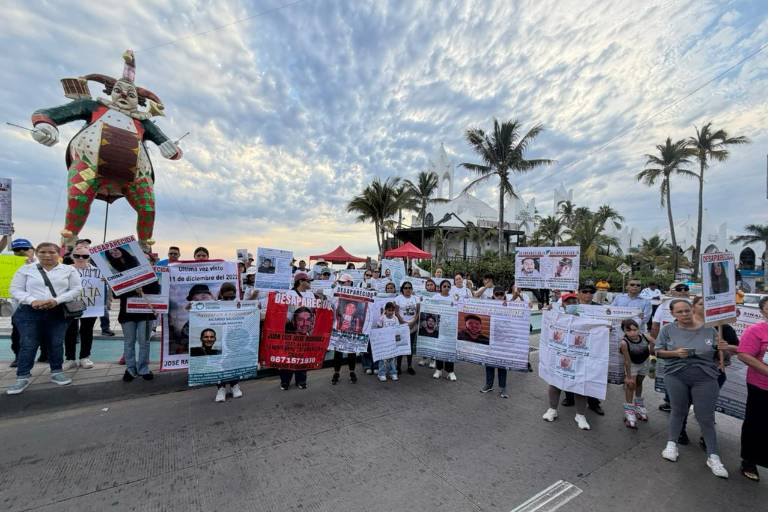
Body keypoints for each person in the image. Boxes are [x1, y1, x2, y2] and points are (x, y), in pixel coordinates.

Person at [655, 299, 728, 478]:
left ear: (692, 309)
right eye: (679, 312)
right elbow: (657, 351)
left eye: (686, 310)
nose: (684, 314)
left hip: (705, 379)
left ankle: (713, 455)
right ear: (673, 314)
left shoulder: (710, 329)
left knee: (706, 417)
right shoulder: (667, 330)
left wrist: (724, 350)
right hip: (676, 376)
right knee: (678, 411)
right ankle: (672, 444)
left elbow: (722, 359)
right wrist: (675, 353)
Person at [6, 242, 82, 395]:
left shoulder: (68, 269)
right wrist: (32, 300)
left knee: (56, 342)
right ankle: (22, 376)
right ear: (36, 253)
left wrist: (56, 300)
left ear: (58, 253)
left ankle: (56, 371)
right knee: (28, 343)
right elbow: (15, 289)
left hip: (58, 310)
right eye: (43, 252)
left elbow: (76, 289)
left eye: (51, 252)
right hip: (29, 311)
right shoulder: (26, 269)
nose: (47, 255)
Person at [542, 292, 592, 430]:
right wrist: (547, 310)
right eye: (568, 302)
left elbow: (596, 329)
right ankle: (552, 409)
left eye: (574, 302)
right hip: (559, 354)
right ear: (563, 304)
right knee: (555, 383)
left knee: (580, 386)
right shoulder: (556, 317)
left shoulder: (586, 317)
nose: (571, 304)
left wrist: (604, 329)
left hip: (579, 356)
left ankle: (580, 415)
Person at [737, 296, 768, 482]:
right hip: (761, 386)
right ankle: (749, 460)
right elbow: (744, 355)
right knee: (756, 423)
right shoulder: (756, 330)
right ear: (763, 311)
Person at [562, 283, 605, 415]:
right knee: (570, 371)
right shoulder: (571, 306)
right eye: (585, 291)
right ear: (579, 292)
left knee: (591, 374)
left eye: (591, 292)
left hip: (592, 346)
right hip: (572, 345)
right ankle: (570, 398)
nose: (588, 294)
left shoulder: (600, 308)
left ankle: (593, 403)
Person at [63, 245, 99, 370]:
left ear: (89, 257)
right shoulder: (64, 269)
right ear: (72, 256)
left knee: (87, 331)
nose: (81, 258)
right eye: (77, 255)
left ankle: (85, 357)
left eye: (85, 256)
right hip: (70, 305)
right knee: (70, 331)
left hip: (91, 305)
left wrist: (105, 281)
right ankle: (70, 358)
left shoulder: (97, 272)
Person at [119, 279, 160, 383]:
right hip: (127, 313)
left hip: (145, 314)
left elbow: (156, 290)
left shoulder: (151, 276)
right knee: (129, 342)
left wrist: (142, 288)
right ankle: (130, 370)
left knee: (144, 342)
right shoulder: (124, 275)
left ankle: (143, 369)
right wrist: (133, 290)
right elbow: (117, 294)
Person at [279, 272, 314, 390]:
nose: (310, 283)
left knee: (302, 355)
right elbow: (284, 312)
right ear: (300, 282)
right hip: (291, 328)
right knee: (288, 355)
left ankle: (301, 380)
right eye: (308, 281)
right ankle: (285, 381)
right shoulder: (289, 293)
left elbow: (313, 311)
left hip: (305, 329)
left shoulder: (311, 295)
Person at [8, 238, 38, 367]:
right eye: (17, 250)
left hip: (40, 304)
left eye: (25, 249)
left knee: (45, 332)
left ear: (33, 250)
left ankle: (45, 354)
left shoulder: (43, 263)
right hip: (18, 306)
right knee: (17, 333)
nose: (21, 251)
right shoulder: (6, 265)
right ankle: (18, 357)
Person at [619, 319, 654, 428]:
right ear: (624, 331)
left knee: (639, 383)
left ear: (639, 329)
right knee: (631, 385)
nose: (632, 333)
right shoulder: (624, 343)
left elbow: (656, 342)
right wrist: (628, 376)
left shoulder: (645, 336)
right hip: (632, 365)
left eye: (635, 330)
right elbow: (627, 361)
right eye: (628, 330)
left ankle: (639, 404)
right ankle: (629, 410)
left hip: (644, 362)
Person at [331, 275, 360, 385]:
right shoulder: (335, 291)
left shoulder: (357, 292)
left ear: (350, 282)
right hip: (338, 326)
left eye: (344, 282)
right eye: (341, 282)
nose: (342, 284)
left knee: (351, 350)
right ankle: (336, 372)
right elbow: (331, 305)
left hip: (351, 328)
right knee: (337, 351)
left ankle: (352, 372)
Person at [481, 288, 510, 398]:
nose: (499, 296)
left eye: (501, 294)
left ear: (504, 295)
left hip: (502, 341)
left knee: (502, 364)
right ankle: (489, 384)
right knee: (489, 363)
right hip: (490, 339)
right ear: (493, 295)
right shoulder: (488, 306)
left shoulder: (510, 306)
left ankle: (503, 388)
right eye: (496, 294)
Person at [395, 281, 419, 376]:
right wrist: (403, 322)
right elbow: (396, 312)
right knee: (400, 346)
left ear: (412, 289)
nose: (408, 289)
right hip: (401, 326)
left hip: (413, 327)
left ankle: (409, 366)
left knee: (410, 348)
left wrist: (413, 322)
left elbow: (418, 312)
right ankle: (398, 366)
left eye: (409, 288)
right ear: (402, 289)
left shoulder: (416, 298)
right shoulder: (398, 299)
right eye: (405, 288)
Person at [375, 301, 400, 382]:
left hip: (392, 342)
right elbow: (378, 328)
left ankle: (393, 372)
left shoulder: (395, 318)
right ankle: (381, 373)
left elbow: (398, 329)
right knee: (383, 359)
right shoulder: (382, 318)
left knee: (392, 358)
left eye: (392, 310)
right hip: (384, 342)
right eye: (389, 310)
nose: (391, 312)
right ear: (385, 310)